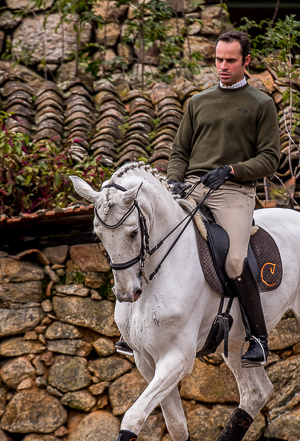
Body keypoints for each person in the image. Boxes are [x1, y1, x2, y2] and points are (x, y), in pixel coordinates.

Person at [115, 31, 281, 366]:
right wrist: (174, 182)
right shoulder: (198, 102)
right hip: (192, 187)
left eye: (230, 60)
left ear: (246, 61)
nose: (222, 66)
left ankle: (257, 338)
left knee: (234, 261)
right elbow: (179, 152)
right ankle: (132, 332)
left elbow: (270, 159)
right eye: (218, 59)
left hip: (233, 191)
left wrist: (232, 170)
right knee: (154, 239)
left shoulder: (261, 105)